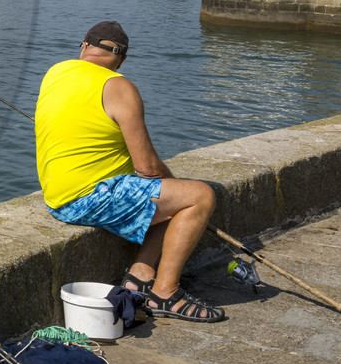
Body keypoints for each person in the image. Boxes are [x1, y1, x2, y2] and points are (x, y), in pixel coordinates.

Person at [35, 20, 225, 323]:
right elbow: (147, 168)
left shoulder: (56, 72)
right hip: (88, 198)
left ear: (84, 47)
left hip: (56, 194)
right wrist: (174, 183)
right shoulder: (119, 86)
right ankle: (165, 294)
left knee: (169, 198)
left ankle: (139, 276)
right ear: (121, 59)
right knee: (199, 196)